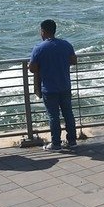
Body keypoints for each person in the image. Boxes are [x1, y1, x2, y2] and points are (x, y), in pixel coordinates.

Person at [29, 19, 79, 150]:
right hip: (65, 85)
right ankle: (72, 141)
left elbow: (32, 68)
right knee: (68, 113)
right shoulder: (66, 44)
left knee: (53, 116)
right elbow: (74, 61)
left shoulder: (38, 48)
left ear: (43, 31)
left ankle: (56, 143)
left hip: (49, 88)